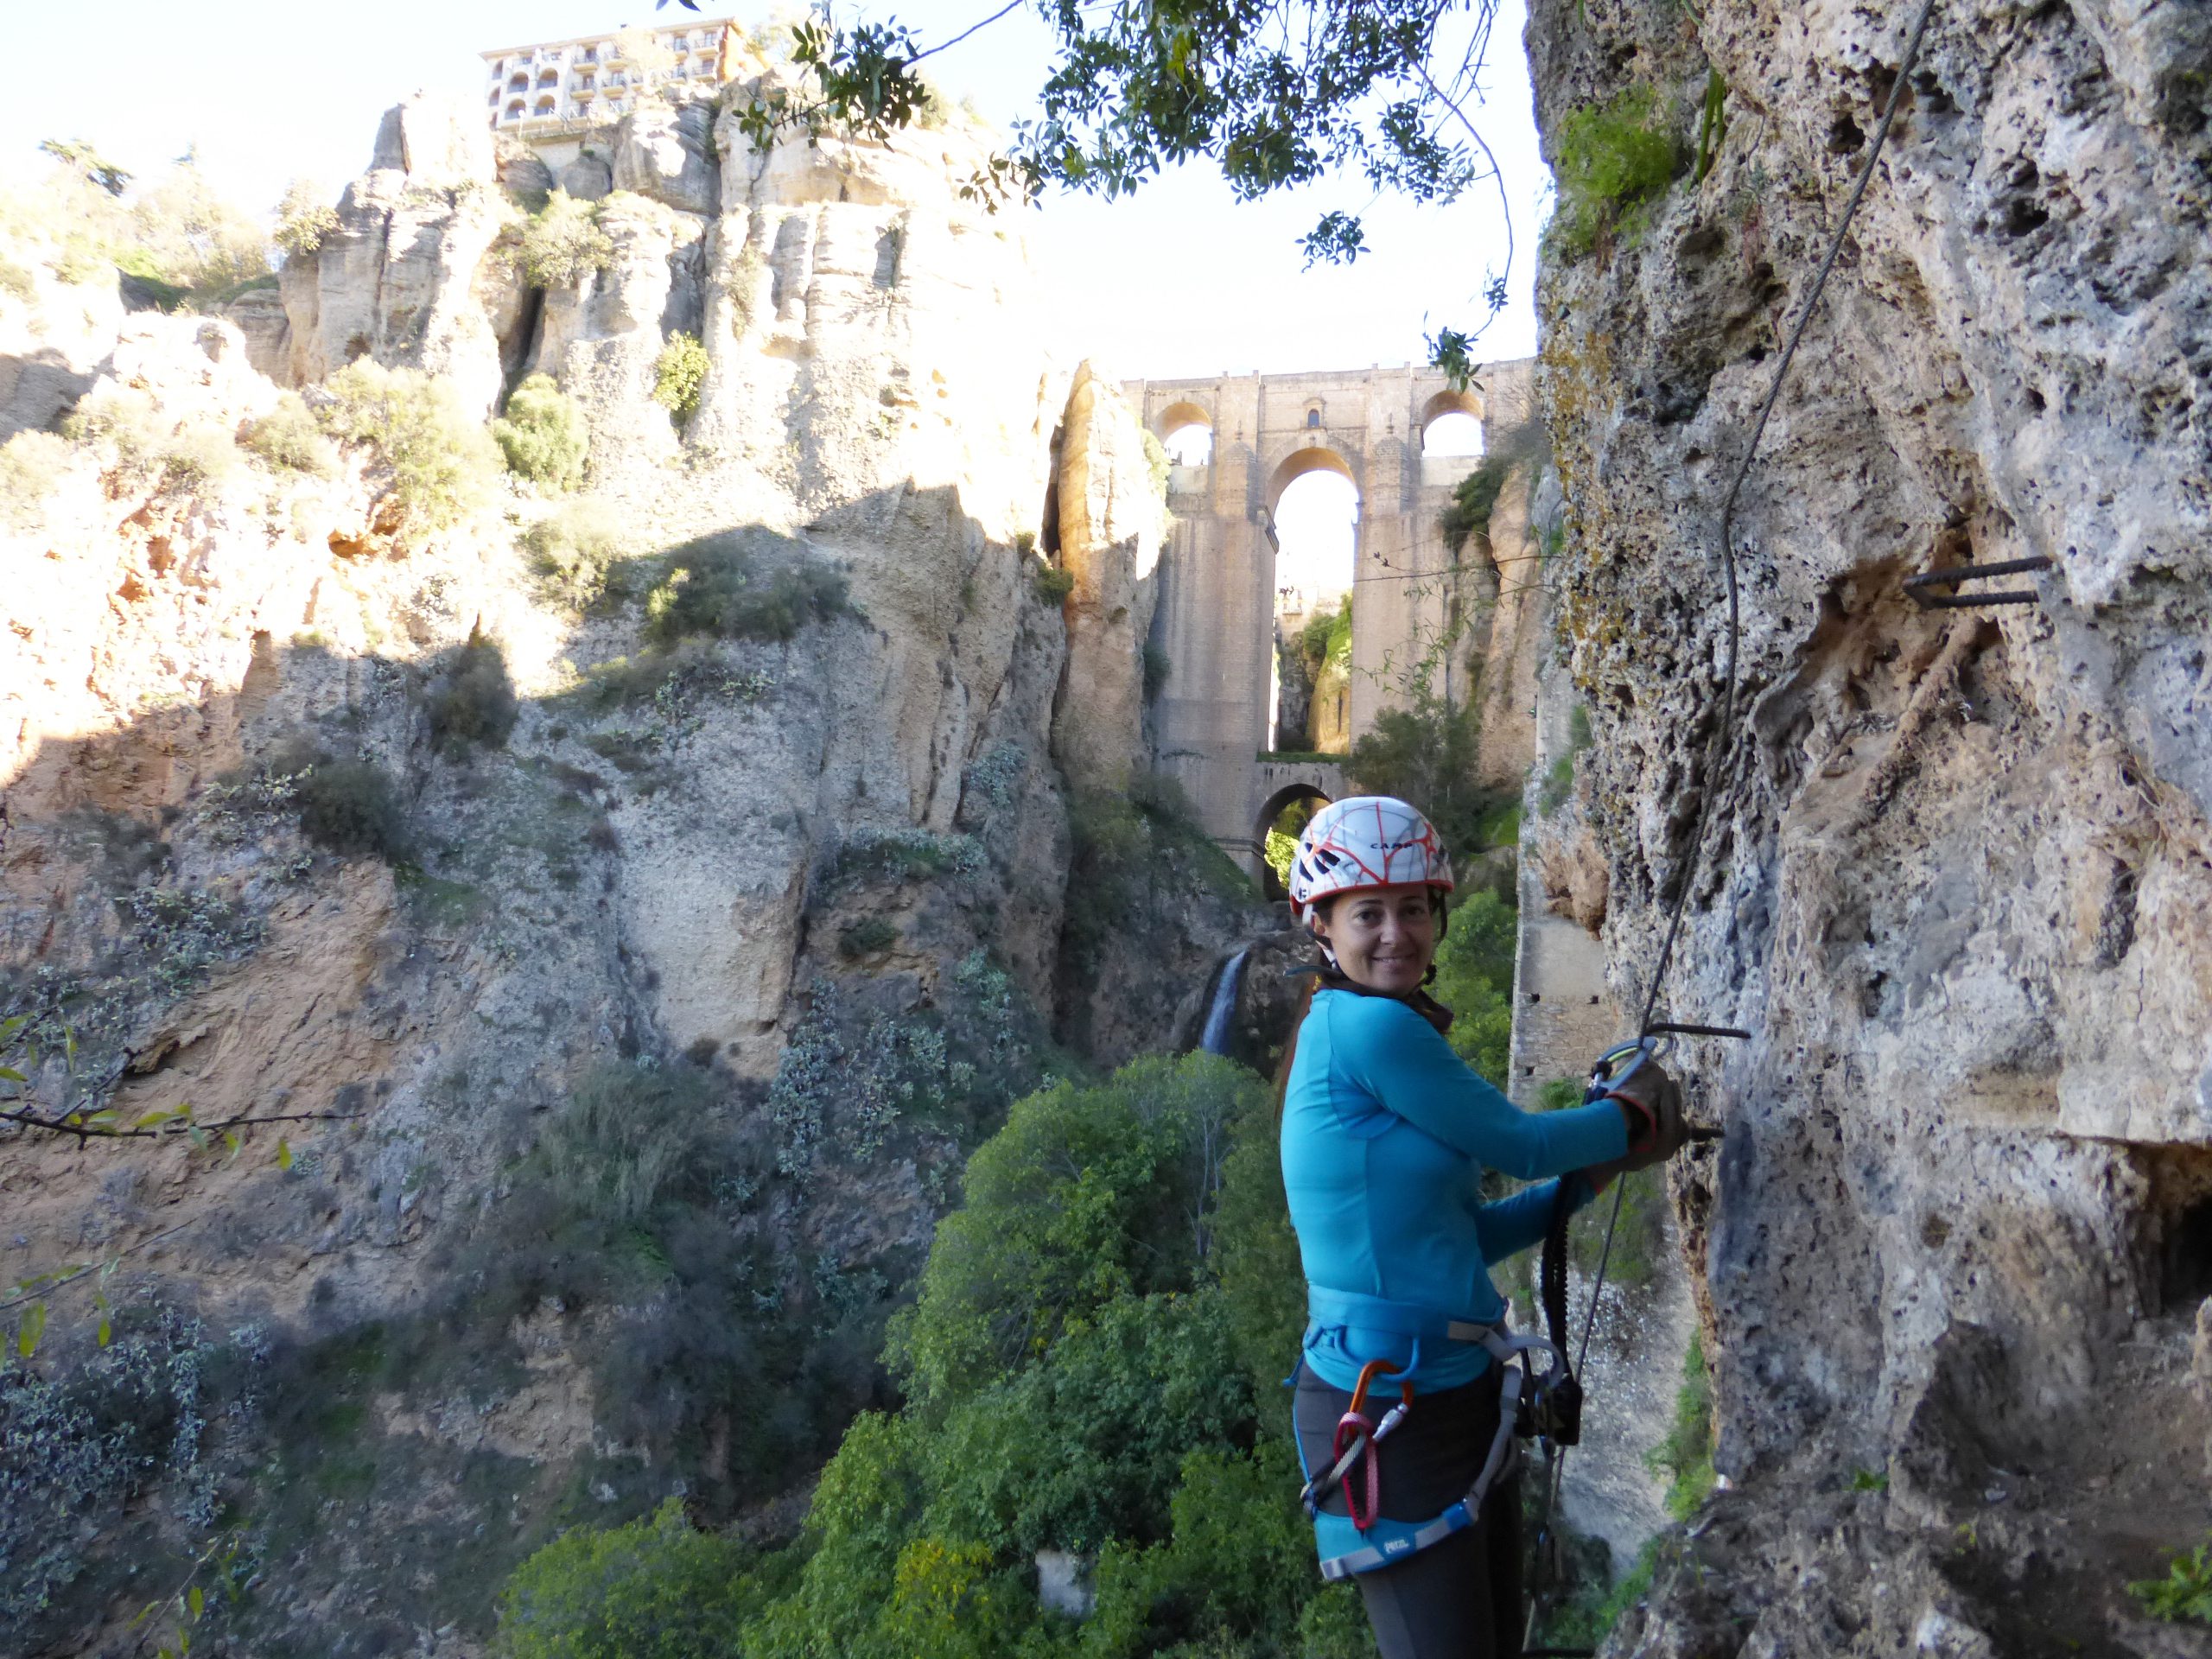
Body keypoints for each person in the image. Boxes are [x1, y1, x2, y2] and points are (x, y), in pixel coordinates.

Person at [1277, 796, 1689, 1659]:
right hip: (1387, 1409)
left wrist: (1599, 1170)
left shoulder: (1362, 1028)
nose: (1397, 933)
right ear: (1320, 926)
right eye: (1368, 914)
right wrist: (1630, 1122)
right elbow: (1524, 1143)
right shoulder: (1365, 1026)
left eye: (1414, 908)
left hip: (1452, 1392)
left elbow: (1463, 1241)